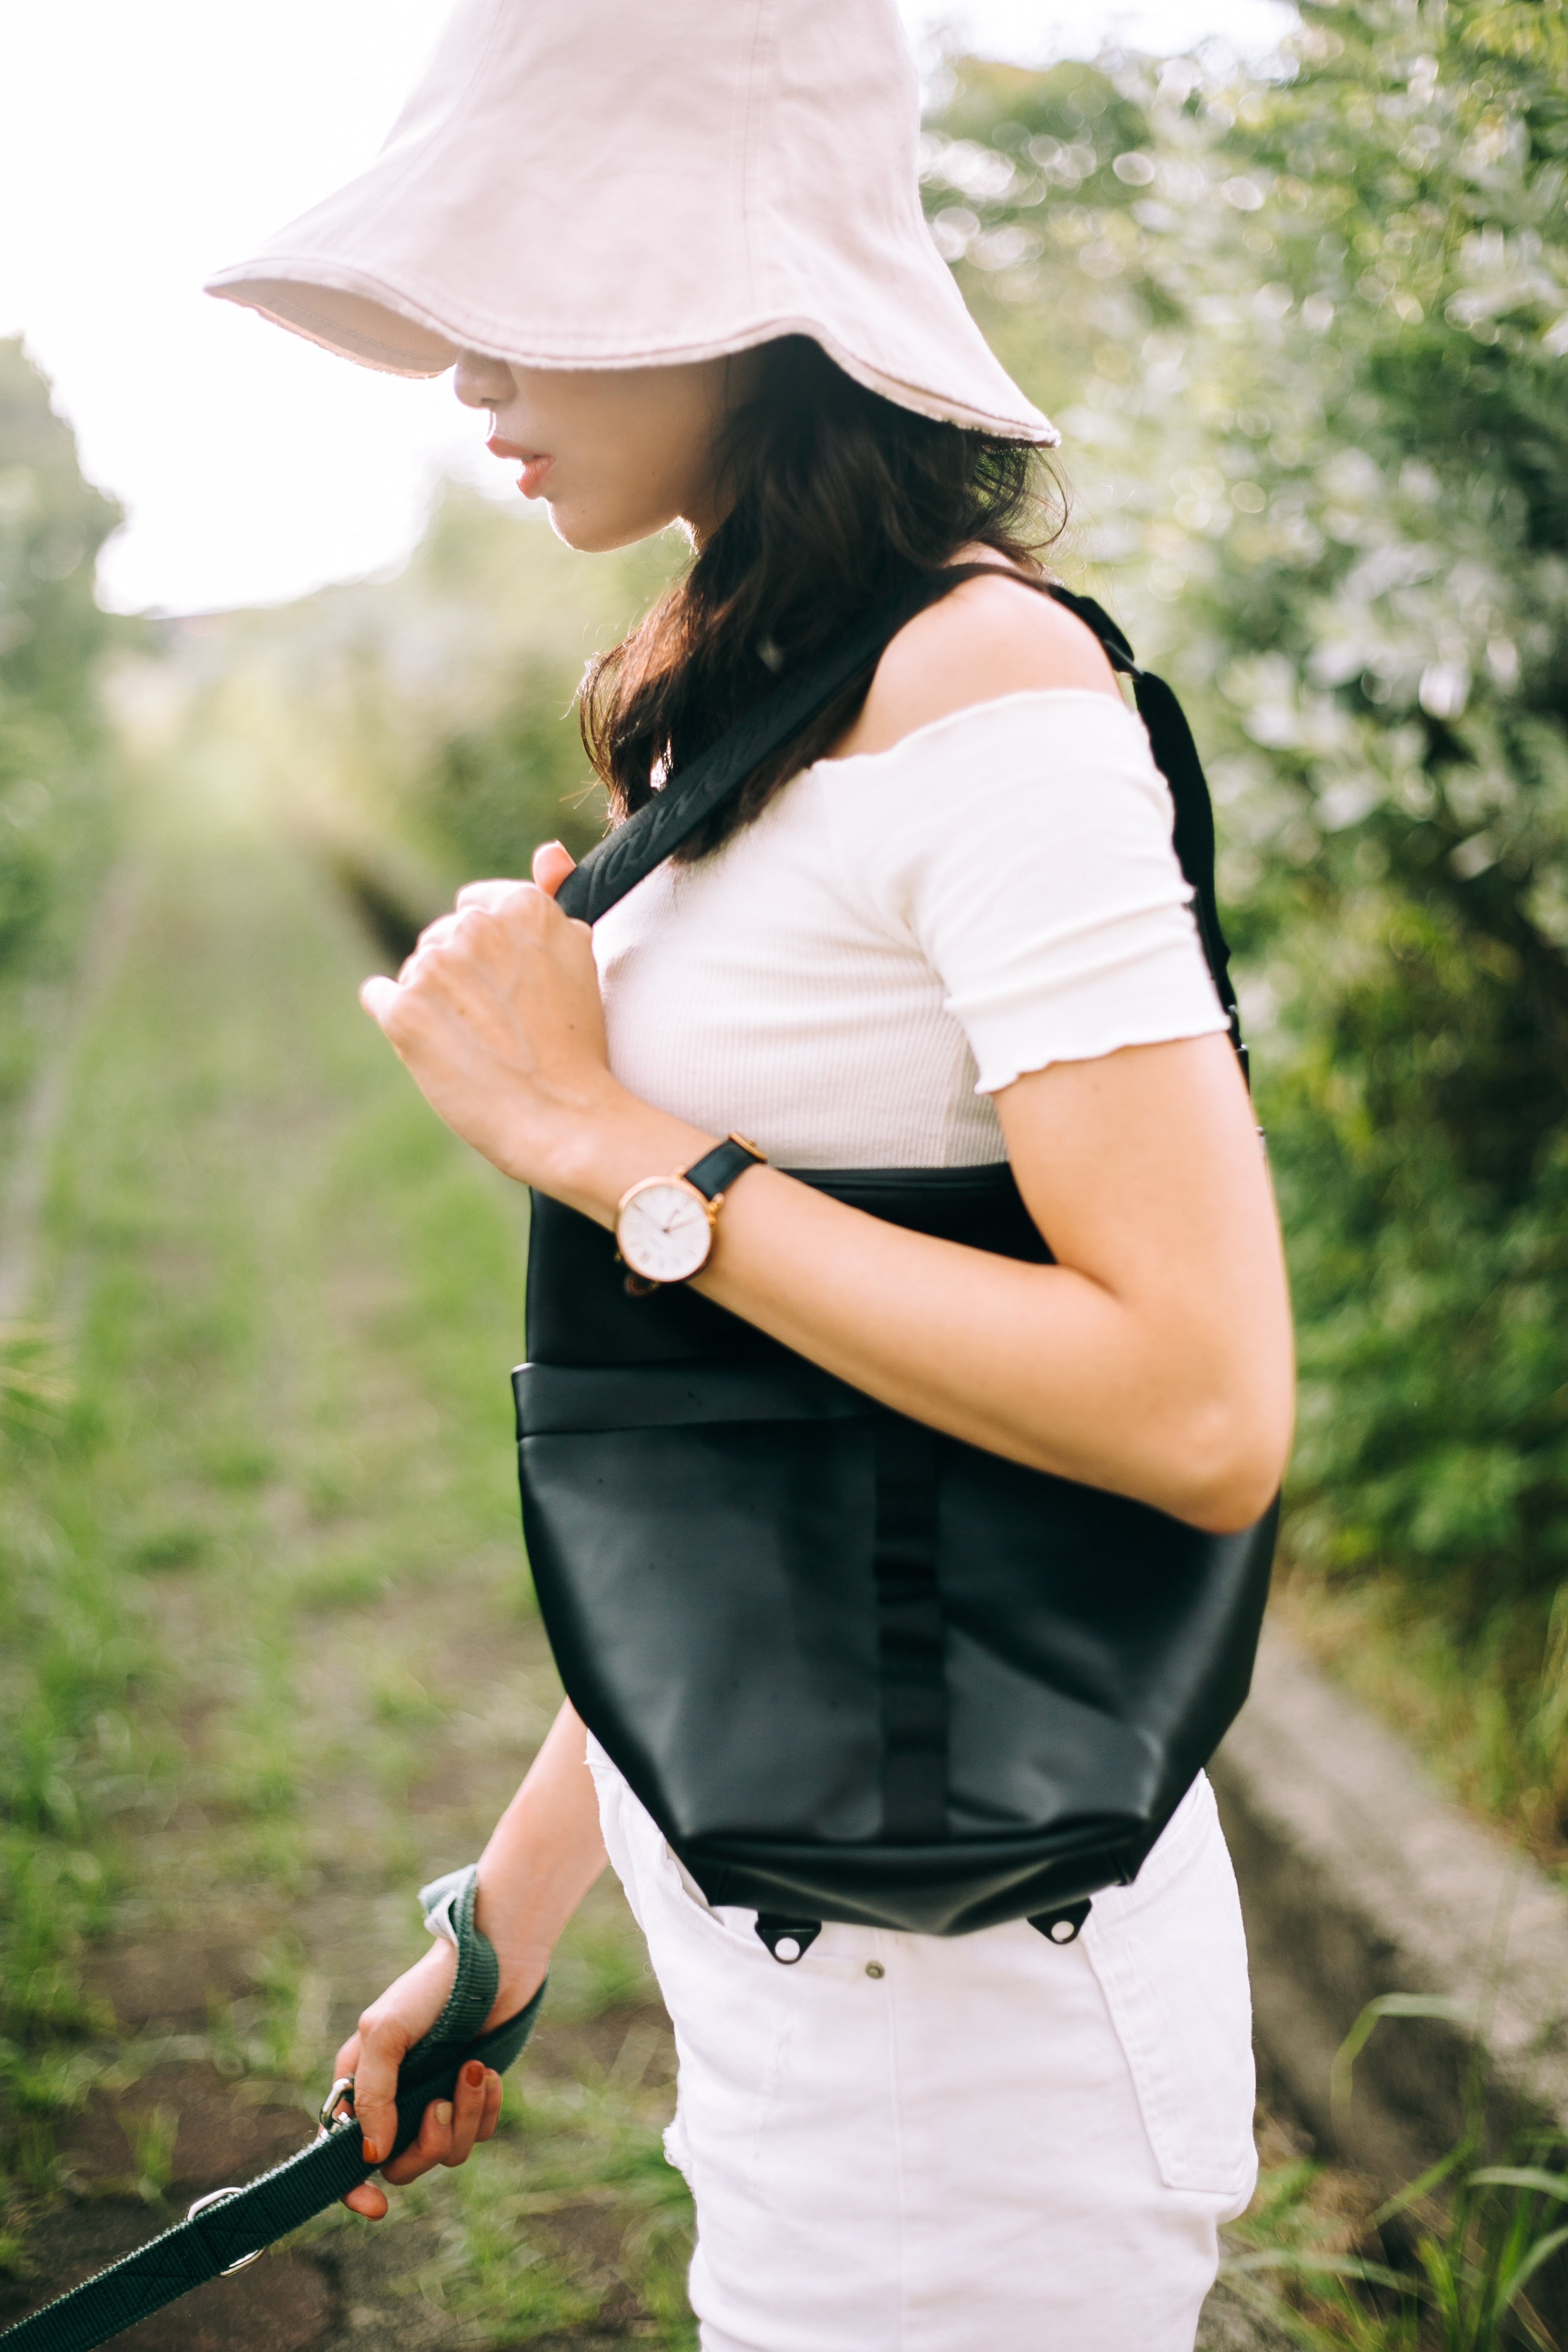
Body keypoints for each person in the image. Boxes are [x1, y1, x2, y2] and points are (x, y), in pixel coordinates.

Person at [206, 3, 1294, 2344]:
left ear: (732, 279)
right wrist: (501, 1927)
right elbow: (768, 1444)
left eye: (536, 278)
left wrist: (606, 1144)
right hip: (812, 1970)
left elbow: (1203, 1405)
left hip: (981, 2047)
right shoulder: (767, 695)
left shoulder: (989, 700)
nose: (467, 366)